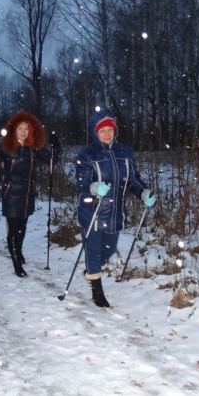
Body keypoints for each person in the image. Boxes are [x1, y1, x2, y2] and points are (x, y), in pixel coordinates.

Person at [75, 109, 156, 309]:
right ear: (95, 132)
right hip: (93, 211)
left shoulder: (125, 153)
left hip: (115, 213)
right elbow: (82, 182)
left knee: (108, 251)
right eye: (103, 131)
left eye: (110, 129)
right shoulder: (87, 155)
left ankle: (91, 274)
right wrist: (95, 187)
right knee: (93, 252)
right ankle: (97, 291)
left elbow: (133, 180)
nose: (107, 134)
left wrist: (144, 193)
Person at [0, 110, 60, 278]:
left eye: (26, 128)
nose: (23, 132)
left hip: (28, 193)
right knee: (13, 229)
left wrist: (55, 146)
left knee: (23, 227)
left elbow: (51, 161)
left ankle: (18, 251)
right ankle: (16, 264)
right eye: (20, 128)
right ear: (14, 130)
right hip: (11, 192)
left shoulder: (33, 148)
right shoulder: (6, 147)